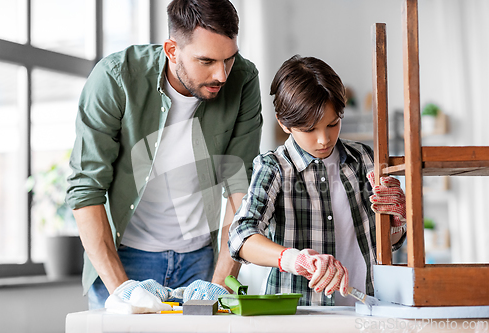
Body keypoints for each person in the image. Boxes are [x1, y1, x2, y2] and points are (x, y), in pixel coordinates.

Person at [66, 0, 262, 311]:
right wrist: (122, 290)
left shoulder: (244, 79)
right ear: (172, 50)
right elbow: (85, 190)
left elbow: (242, 189)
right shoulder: (116, 78)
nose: (222, 75)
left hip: (203, 261)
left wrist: (220, 284)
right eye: (207, 61)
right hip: (124, 259)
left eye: (229, 59)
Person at [228, 55, 406, 306]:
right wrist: (293, 259)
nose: (324, 139)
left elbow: (385, 243)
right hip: (300, 316)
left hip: (365, 307)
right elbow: (240, 237)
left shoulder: (364, 159)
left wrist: (397, 223)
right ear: (284, 123)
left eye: (332, 124)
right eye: (310, 129)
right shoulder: (275, 167)